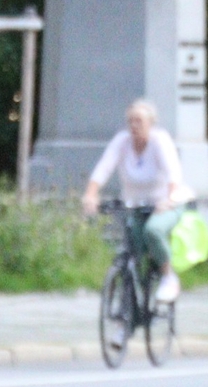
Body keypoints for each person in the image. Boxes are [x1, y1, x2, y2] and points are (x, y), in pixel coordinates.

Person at [82, 98, 194, 303]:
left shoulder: (160, 141)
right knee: (132, 247)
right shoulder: (122, 141)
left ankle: (169, 277)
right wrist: (91, 195)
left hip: (165, 204)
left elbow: (173, 174)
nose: (133, 126)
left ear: (151, 124)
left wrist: (168, 199)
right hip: (135, 203)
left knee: (153, 231)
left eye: (139, 121)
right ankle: (127, 311)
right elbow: (104, 168)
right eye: (130, 121)